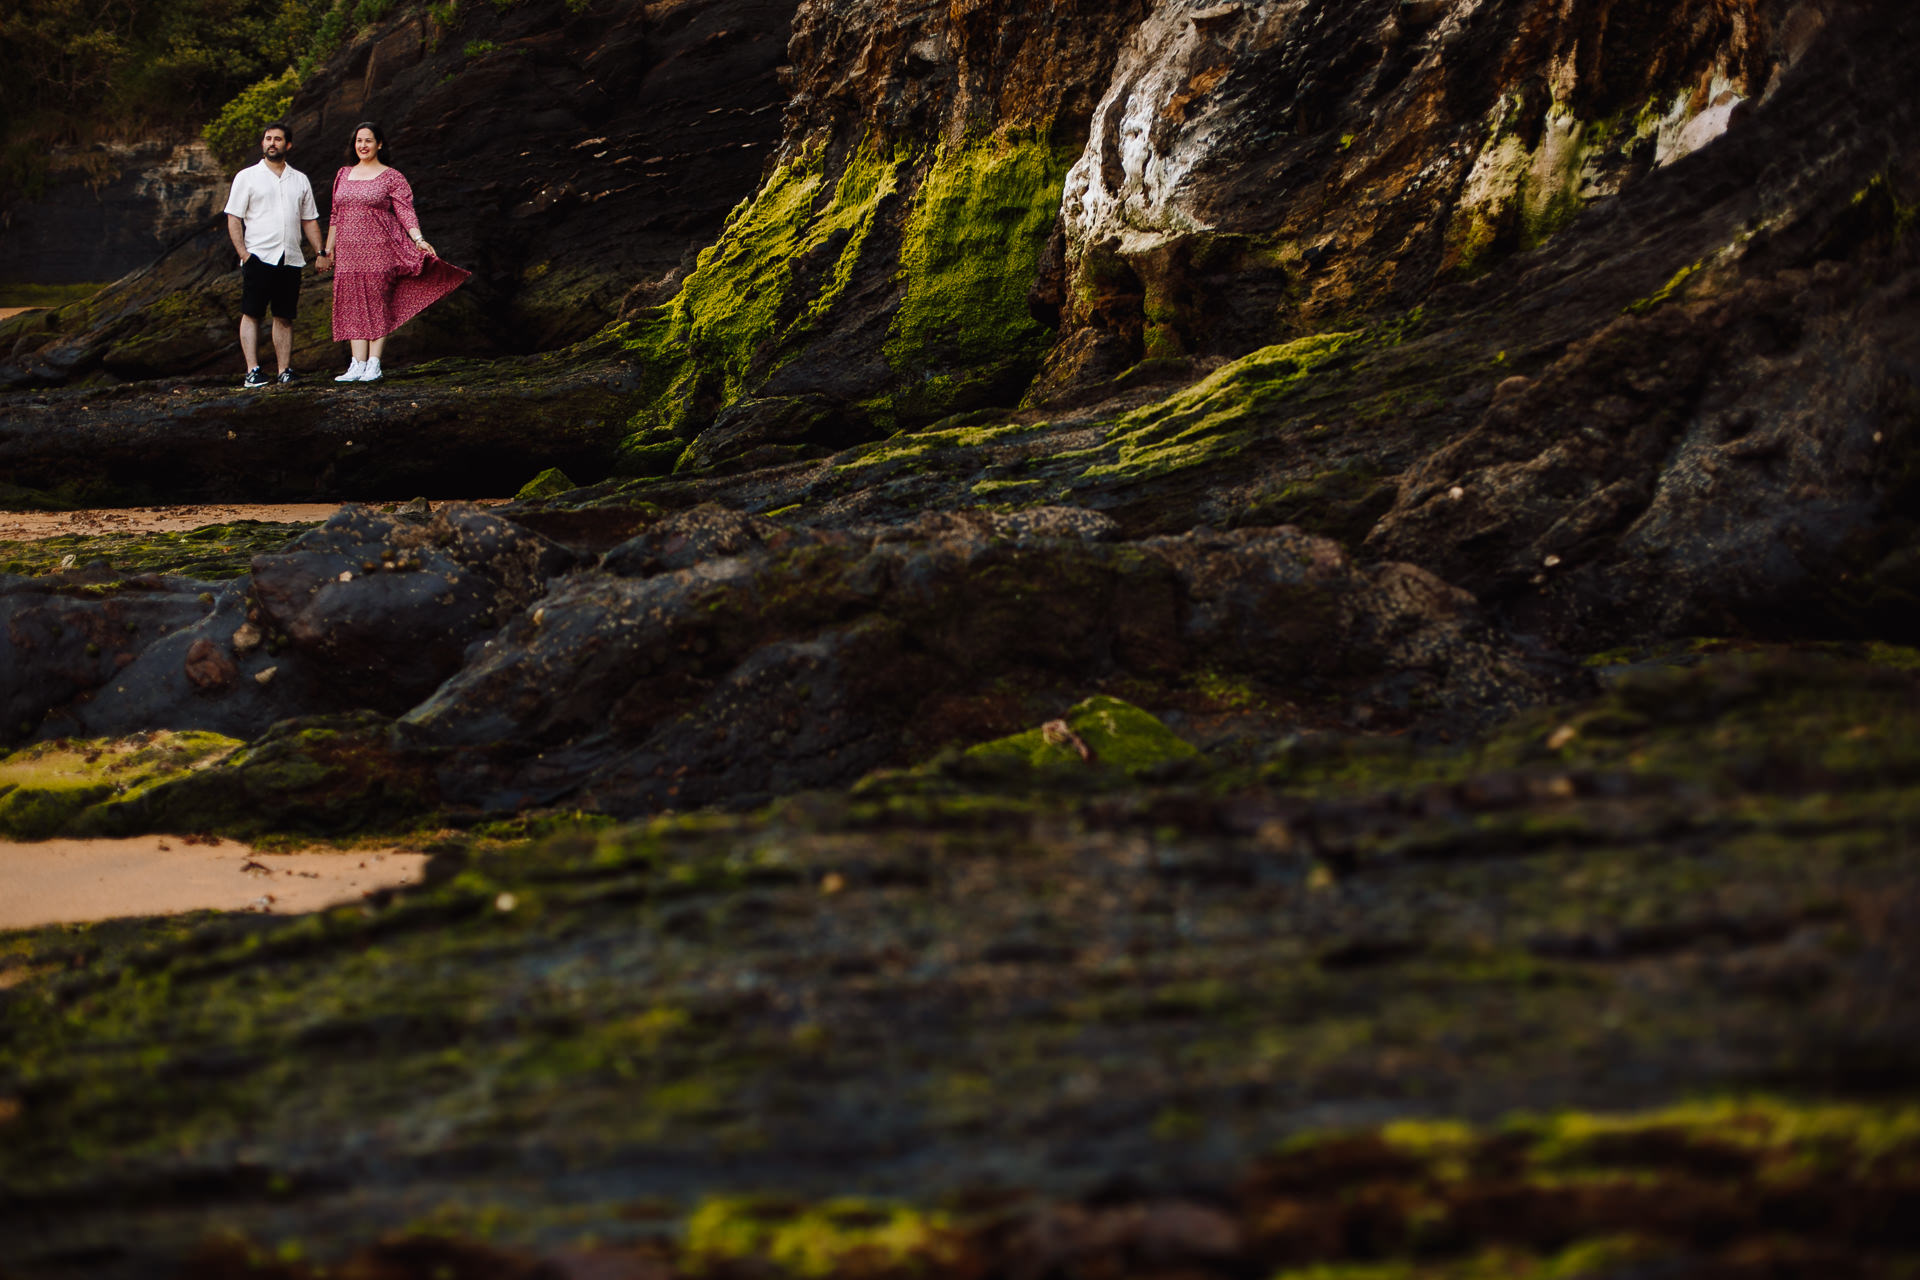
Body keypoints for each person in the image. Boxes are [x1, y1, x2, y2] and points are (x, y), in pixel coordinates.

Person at [323, 121, 469, 383]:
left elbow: (405, 210)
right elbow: (335, 214)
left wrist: (418, 239)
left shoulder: (391, 176)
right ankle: (357, 364)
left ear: (379, 144)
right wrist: (328, 249)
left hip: (380, 246)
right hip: (348, 251)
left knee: (378, 301)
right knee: (353, 302)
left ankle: (374, 364)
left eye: (368, 140)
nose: (363, 145)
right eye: (359, 141)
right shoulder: (343, 174)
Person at [223, 120, 326, 388]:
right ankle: (252, 371)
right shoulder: (247, 177)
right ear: (262, 143)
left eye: (278, 139)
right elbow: (234, 217)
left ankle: (284, 370)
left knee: (284, 316)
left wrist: (321, 251)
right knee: (252, 313)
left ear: (288, 145)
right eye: (268, 138)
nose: (272, 143)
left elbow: (309, 220)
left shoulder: (299, 179)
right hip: (258, 255)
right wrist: (244, 255)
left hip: (290, 257)